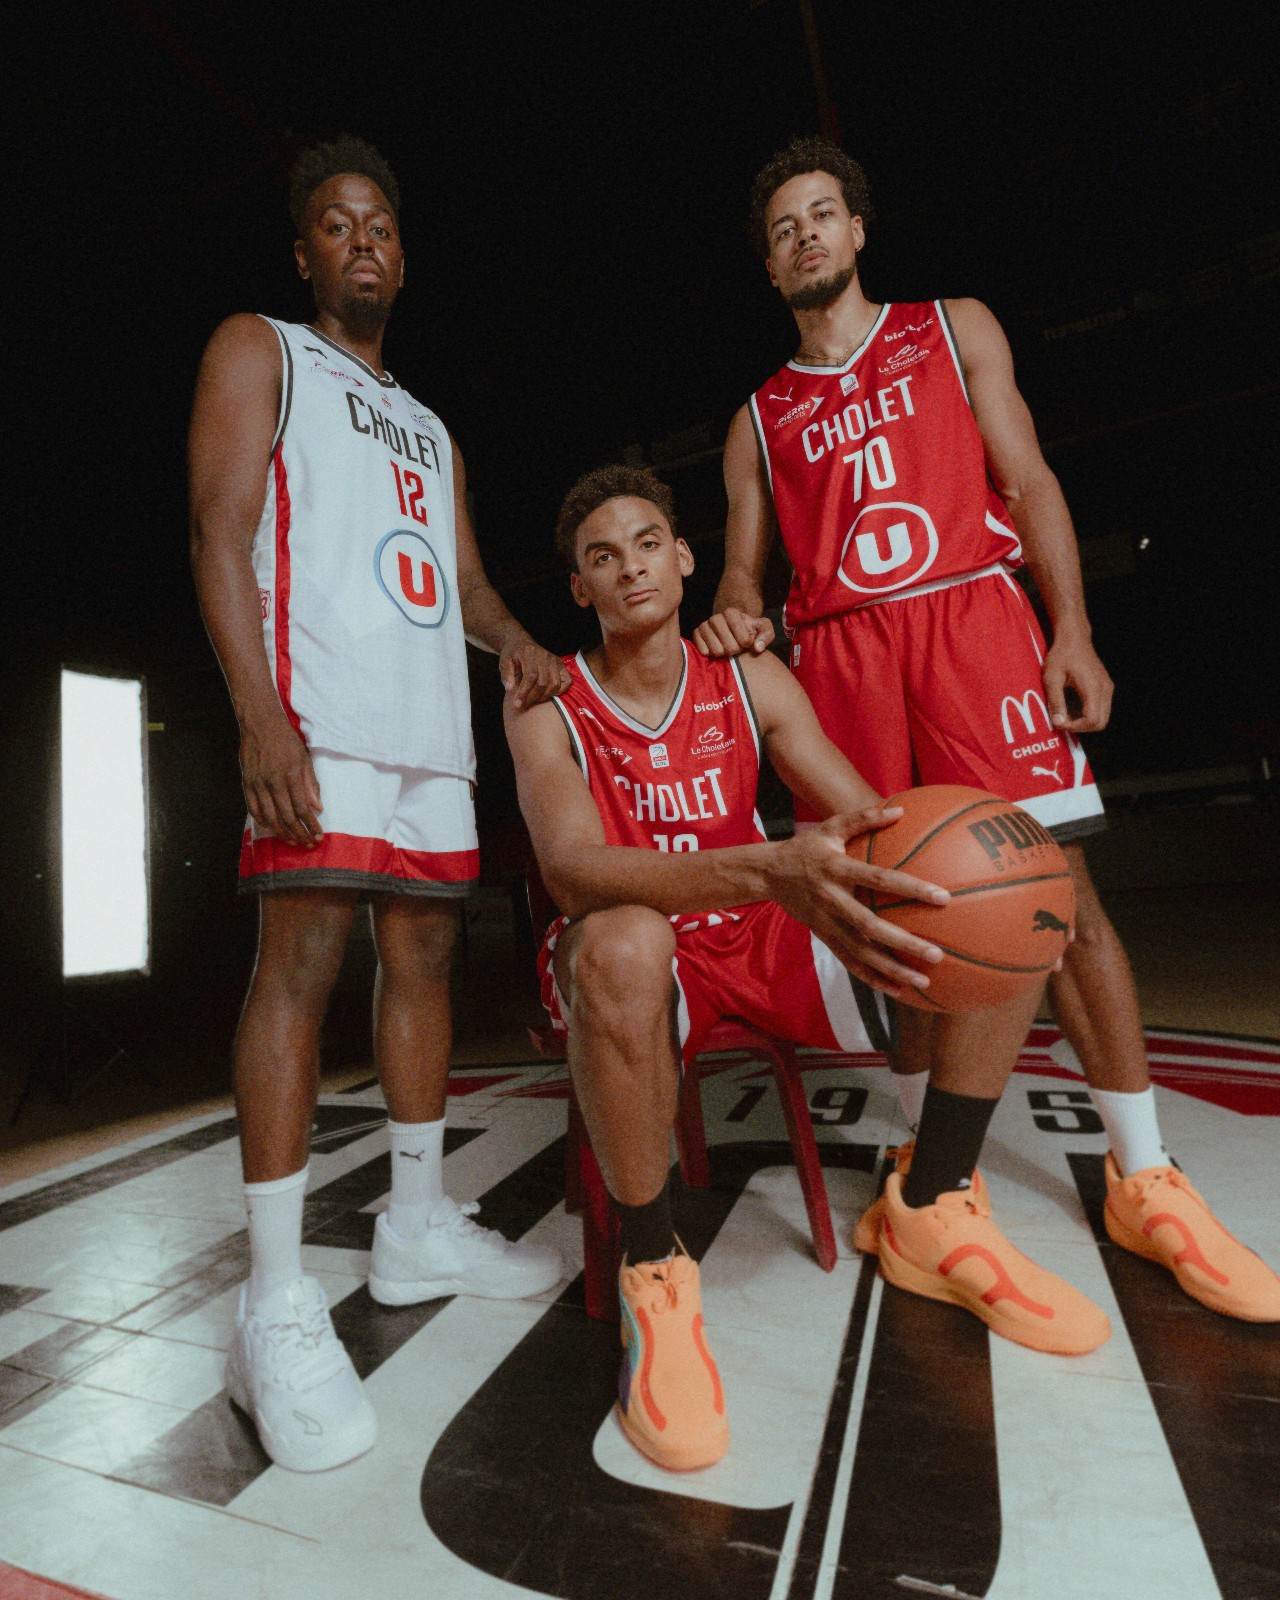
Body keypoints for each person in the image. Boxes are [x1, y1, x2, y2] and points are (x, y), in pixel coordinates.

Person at [696, 135, 1280, 1323]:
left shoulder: (949, 327)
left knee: (1057, 895)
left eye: (822, 214)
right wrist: (732, 617)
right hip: (843, 656)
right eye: (783, 228)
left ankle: (1142, 1175)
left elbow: (1029, 480)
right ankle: (932, 1180)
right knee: (905, 917)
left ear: (857, 230)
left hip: (969, 625)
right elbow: (743, 582)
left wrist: (1071, 631)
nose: (805, 235)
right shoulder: (756, 418)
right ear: (767, 265)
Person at [506, 465, 1113, 1474]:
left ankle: (932, 1202)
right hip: (649, 952)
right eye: (601, 558)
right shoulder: (549, 701)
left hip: (765, 929)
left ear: (684, 557)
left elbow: (870, 816)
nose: (630, 568)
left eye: (648, 543)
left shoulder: (746, 674)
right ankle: (654, 1270)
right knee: (620, 941)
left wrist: (952, 870)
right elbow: (571, 871)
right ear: (579, 588)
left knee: (991, 905)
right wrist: (767, 866)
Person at [188, 136, 568, 1473]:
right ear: (305, 252)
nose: (364, 241)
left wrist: (517, 639)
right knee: (298, 967)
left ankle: (413, 1226)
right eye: (338, 224)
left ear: (404, 259)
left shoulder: (430, 426)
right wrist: (260, 718)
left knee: (423, 964)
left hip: (425, 732)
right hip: (321, 711)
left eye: (383, 227)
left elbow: (461, 586)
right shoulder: (262, 348)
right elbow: (217, 531)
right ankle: (273, 1301)